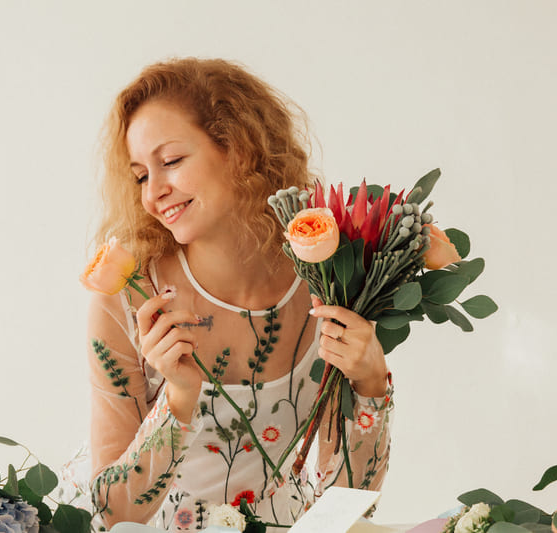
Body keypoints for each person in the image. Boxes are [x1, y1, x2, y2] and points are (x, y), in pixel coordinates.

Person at [88, 57, 394, 531]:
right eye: (141, 175)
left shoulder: (326, 281)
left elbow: (347, 512)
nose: (153, 194)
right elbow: (112, 514)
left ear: (239, 149)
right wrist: (179, 398)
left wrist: (371, 384)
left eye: (171, 161)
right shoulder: (130, 295)